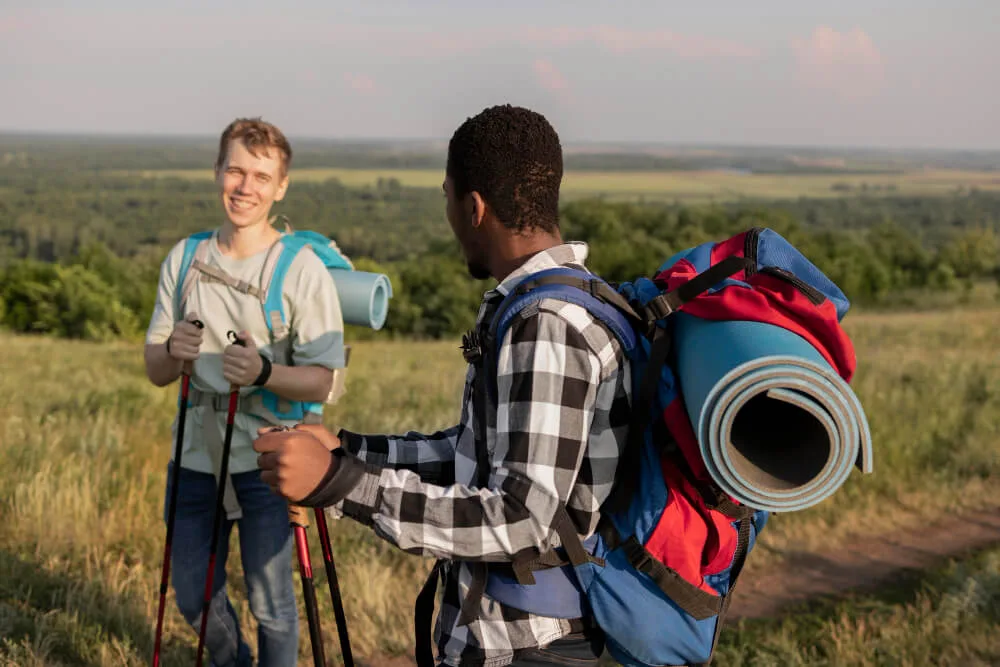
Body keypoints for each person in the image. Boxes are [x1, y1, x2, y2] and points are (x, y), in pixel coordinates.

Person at [252, 104, 633, 667]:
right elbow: (473, 454)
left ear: (473, 207)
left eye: (448, 199)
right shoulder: (550, 303)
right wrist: (350, 452)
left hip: (529, 647)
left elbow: (520, 519)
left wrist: (342, 484)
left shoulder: (546, 323)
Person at [144, 117, 346, 667]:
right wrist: (174, 352)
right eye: (236, 170)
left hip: (270, 460)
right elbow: (155, 368)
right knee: (191, 594)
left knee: (272, 603)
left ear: (281, 186)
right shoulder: (186, 259)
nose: (245, 186)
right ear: (217, 172)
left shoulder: (300, 268)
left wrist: (262, 373)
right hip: (193, 456)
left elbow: (325, 378)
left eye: (261, 175)